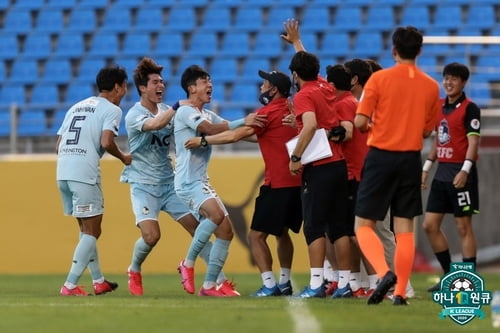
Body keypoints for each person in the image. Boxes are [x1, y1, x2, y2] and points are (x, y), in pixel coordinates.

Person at [184, 69, 302, 297]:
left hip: (277, 183)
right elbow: (257, 135)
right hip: (298, 181)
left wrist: (204, 141)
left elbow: (235, 136)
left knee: (255, 236)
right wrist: (234, 128)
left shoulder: (268, 112)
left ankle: (269, 285)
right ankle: (285, 281)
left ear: (274, 89)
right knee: (282, 233)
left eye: (265, 83)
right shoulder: (291, 110)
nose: (261, 88)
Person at [120, 57, 232, 296]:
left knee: (198, 227)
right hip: (143, 184)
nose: (160, 86)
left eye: (162, 82)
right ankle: (134, 268)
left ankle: (218, 281)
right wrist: (176, 107)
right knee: (151, 237)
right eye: (154, 82)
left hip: (169, 183)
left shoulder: (169, 112)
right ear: (142, 88)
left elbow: (182, 127)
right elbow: (154, 125)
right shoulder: (134, 115)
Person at [353, 26, 441, 305]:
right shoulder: (430, 86)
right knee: (405, 228)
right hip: (410, 159)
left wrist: (373, 124)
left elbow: (359, 122)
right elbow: (428, 131)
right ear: (419, 51)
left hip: (381, 155)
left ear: (394, 51)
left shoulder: (379, 79)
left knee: (363, 225)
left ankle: (383, 274)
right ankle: (401, 292)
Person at [174, 65, 266, 297]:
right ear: (191, 88)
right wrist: (244, 121)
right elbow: (210, 129)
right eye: (205, 82)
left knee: (226, 232)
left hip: (201, 181)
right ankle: (188, 262)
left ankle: (210, 286)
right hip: (187, 182)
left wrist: (270, 135)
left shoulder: (207, 113)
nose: (210, 85)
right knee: (215, 217)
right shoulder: (185, 111)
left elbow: (234, 132)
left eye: (210, 81)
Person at [281, 19, 354, 299]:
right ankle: (346, 284)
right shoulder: (325, 87)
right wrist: (297, 43)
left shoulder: (303, 95)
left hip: (319, 166)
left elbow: (309, 124)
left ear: (296, 75)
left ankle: (315, 285)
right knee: (339, 228)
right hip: (338, 165)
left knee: (313, 226)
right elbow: (308, 67)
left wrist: (296, 154)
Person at [57, 65, 132, 296]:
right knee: (93, 230)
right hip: (84, 173)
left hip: (63, 171)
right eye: (125, 86)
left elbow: (58, 144)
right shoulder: (111, 110)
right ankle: (69, 285)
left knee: (85, 229)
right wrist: (124, 158)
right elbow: (107, 141)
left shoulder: (76, 106)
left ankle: (99, 281)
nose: (126, 92)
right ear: (117, 87)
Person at [421, 62, 481, 292]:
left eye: (454, 79)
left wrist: (465, 170)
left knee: (463, 227)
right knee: (429, 225)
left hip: (461, 173)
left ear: (463, 82)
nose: (449, 82)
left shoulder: (470, 108)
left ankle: (468, 283)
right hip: (441, 173)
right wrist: (426, 167)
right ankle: (450, 277)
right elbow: (438, 140)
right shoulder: (438, 106)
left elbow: (473, 143)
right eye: (446, 78)